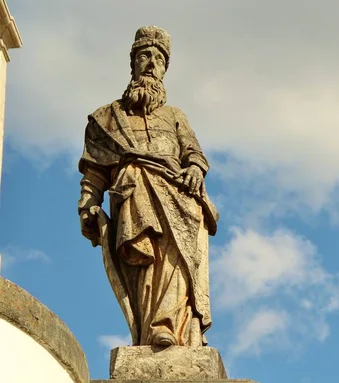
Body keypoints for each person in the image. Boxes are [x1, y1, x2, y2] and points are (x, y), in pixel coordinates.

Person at [77, 25, 218, 348]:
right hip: (133, 194)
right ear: (133, 64)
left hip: (179, 199)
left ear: (165, 69)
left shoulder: (174, 116)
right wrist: (87, 205)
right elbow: (95, 171)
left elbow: (193, 153)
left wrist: (195, 169)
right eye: (145, 56)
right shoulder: (106, 118)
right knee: (145, 263)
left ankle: (170, 327)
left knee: (175, 264)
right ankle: (152, 328)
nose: (152, 63)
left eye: (159, 58)